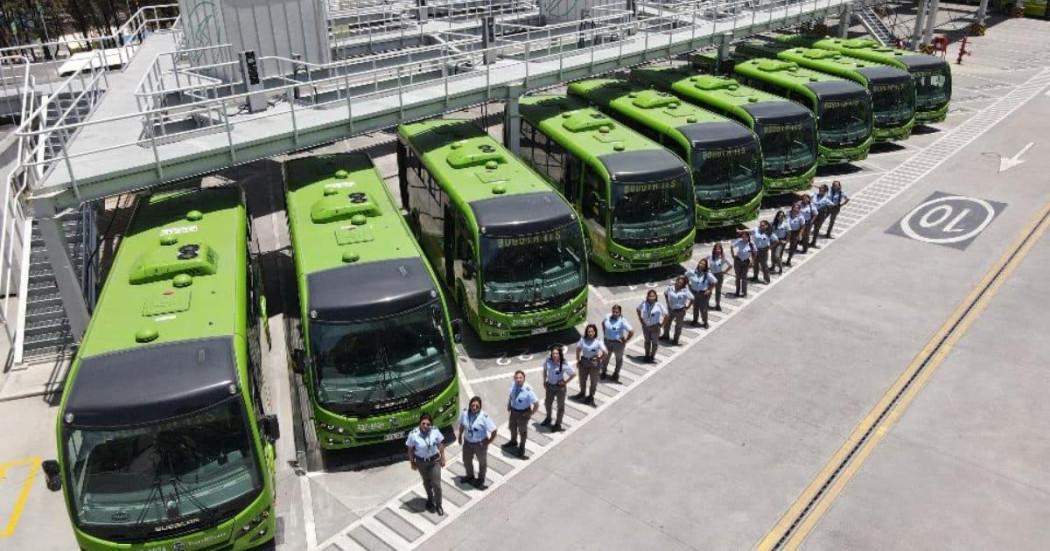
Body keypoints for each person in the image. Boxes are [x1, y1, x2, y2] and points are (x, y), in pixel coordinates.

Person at [406, 413, 447, 515]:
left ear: (431, 425)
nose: (425, 426)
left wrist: (443, 457)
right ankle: (430, 499)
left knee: (436, 484)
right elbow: (410, 450)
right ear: (420, 424)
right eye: (423, 423)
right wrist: (412, 462)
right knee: (427, 482)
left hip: (434, 461)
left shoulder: (435, 431)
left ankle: (438, 505)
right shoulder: (413, 434)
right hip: (421, 462)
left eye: (428, 424)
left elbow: (440, 444)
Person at [457, 396, 497, 490]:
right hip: (467, 443)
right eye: (473, 405)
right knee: (466, 460)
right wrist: (459, 436)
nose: (474, 408)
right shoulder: (465, 413)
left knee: (482, 462)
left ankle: (481, 479)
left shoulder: (484, 417)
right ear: (470, 405)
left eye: (477, 406)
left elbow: (494, 431)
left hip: (480, 444)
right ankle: (470, 476)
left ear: (480, 407)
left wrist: (488, 441)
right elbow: (462, 425)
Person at [503, 370, 539, 459]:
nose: (518, 380)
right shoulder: (513, 384)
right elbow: (511, 395)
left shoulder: (528, 390)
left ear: (524, 378)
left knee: (522, 431)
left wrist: (531, 413)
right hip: (513, 411)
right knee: (512, 427)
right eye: (516, 378)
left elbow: (536, 403)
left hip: (523, 413)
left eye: (520, 378)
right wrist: (509, 404)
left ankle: (522, 447)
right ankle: (513, 441)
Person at [540, 345, 576, 428]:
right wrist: (544, 380)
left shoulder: (563, 363)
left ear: (560, 354)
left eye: (557, 353)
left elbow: (573, 374)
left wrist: (565, 382)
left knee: (560, 406)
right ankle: (548, 418)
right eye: (553, 353)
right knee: (547, 404)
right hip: (549, 386)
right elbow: (545, 370)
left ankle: (558, 424)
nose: (555, 355)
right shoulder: (548, 360)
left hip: (560, 388)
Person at [574, 325, 606, 405]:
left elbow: (605, 352)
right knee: (582, 379)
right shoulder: (583, 340)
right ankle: (582, 393)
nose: (590, 333)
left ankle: (591, 396)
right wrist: (578, 360)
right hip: (584, 361)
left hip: (594, 363)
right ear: (586, 332)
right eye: (589, 331)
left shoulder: (598, 341)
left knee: (593, 381)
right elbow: (578, 350)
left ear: (595, 332)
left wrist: (599, 358)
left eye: (592, 331)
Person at [601, 305, 634, 382]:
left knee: (618, 359)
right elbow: (603, 323)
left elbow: (631, 331)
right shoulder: (608, 316)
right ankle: (603, 371)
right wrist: (605, 333)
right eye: (614, 311)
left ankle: (616, 374)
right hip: (607, 342)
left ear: (620, 313)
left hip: (618, 344)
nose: (615, 313)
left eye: (617, 312)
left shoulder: (622, 321)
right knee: (605, 358)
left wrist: (625, 340)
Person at [686, 258, 718, 328]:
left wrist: (709, 290)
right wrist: (689, 285)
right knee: (695, 307)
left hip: (703, 294)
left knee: (703, 309)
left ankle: (705, 322)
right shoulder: (692, 272)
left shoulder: (707, 274)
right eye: (700, 263)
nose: (701, 265)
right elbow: (685, 277)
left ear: (705, 266)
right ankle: (695, 320)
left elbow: (715, 281)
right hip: (694, 293)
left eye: (703, 264)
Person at [636, 289, 667, 362]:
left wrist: (661, 325)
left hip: (655, 327)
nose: (651, 297)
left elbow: (666, 315)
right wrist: (640, 319)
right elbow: (638, 309)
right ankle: (647, 355)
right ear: (647, 296)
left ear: (656, 297)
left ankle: (652, 356)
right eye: (650, 296)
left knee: (655, 343)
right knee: (647, 342)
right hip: (646, 326)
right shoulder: (644, 303)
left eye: (653, 296)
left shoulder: (659, 305)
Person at [661, 276, 693, 345]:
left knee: (678, 326)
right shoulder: (670, 288)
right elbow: (665, 293)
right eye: (678, 281)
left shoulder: (685, 291)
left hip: (680, 311)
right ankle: (665, 336)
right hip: (671, 309)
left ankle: (675, 340)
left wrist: (687, 307)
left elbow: (692, 298)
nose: (679, 283)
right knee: (667, 324)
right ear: (676, 281)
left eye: (681, 283)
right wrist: (667, 302)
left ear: (683, 284)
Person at [732, 230, 756, 297]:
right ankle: (737, 291)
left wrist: (753, 261)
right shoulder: (739, 242)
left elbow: (755, 252)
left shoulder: (751, 244)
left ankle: (744, 292)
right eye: (743, 237)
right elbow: (732, 246)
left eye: (746, 237)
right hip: (738, 261)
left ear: (748, 237)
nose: (744, 238)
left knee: (744, 278)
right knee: (737, 277)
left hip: (746, 262)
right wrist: (733, 255)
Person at [810, 184, 834, 248]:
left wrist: (825, 209)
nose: (820, 189)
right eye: (820, 188)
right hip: (812, 214)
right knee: (808, 227)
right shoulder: (814, 195)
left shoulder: (826, 198)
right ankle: (803, 241)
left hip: (820, 215)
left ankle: (813, 242)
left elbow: (832, 205)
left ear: (825, 191)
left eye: (822, 189)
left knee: (816, 229)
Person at [708, 243, 727, 310]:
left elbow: (730, 265)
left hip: (719, 275)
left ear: (721, 250)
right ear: (714, 249)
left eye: (719, 249)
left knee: (718, 291)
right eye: (716, 249)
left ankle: (717, 304)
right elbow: (703, 261)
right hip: (711, 275)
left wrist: (724, 272)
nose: (718, 250)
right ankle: (706, 303)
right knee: (709, 290)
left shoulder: (722, 258)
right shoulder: (710, 256)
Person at [785, 202, 805, 267]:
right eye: (794, 208)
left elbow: (802, 226)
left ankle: (789, 260)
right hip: (786, 232)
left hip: (795, 233)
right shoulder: (788, 214)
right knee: (782, 245)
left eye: (797, 208)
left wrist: (800, 234)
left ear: (799, 209)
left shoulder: (801, 217)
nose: (795, 209)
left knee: (792, 247)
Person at [771, 210, 789, 274]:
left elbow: (788, 234)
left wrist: (786, 241)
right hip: (773, 241)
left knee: (777, 255)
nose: (781, 217)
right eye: (779, 215)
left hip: (781, 241)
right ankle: (773, 266)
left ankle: (780, 268)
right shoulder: (773, 223)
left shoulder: (786, 224)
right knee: (772, 255)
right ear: (777, 216)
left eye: (782, 215)